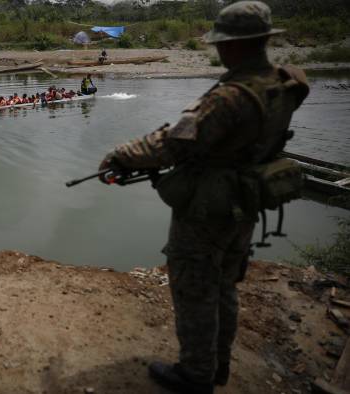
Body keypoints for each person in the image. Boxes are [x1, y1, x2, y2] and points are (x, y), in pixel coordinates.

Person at [97, 2, 309, 393]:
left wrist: (120, 155)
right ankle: (218, 366)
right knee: (225, 284)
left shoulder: (229, 96)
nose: (219, 51)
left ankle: (195, 375)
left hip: (209, 207)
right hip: (247, 201)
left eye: (222, 44)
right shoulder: (285, 83)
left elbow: (172, 143)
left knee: (195, 287)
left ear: (234, 45)